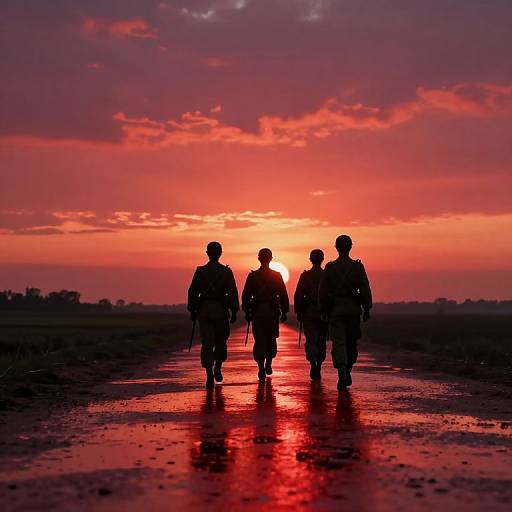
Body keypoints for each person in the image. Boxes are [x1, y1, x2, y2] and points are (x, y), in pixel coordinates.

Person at [318, 235, 372, 391]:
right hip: (353, 311)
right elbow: (365, 288)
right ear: (350, 247)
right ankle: (347, 371)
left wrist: (323, 309)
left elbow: (322, 291)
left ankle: (342, 373)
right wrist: (367, 308)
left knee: (339, 343)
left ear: (336, 247)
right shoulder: (357, 267)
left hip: (336, 310)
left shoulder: (330, 267)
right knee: (351, 343)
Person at [187, 241, 239, 389]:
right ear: (220, 253)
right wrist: (234, 310)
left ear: (207, 253)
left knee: (207, 343)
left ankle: (209, 373)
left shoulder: (200, 271)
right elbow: (233, 292)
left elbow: (192, 292)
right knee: (221, 342)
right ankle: (217, 368)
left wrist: (192, 309)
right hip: (221, 312)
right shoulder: (226, 272)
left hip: (204, 312)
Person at [242, 248, 289, 381]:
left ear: (259, 258)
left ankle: (261, 367)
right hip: (272, 313)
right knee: (271, 339)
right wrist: (285, 311)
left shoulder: (252, 276)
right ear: (271, 259)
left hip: (258, 313)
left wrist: (247, 311)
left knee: (260, 340)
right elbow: (283, 295)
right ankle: (268, 363)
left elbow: (245, 296)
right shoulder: (277, 276)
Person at [294, 249, 328, 380]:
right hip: (323, 312)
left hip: (309, 311)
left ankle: (313, 362)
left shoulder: (305, 276)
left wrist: (299, 312)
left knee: (311, 340)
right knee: (321, 340)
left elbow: (298, 295)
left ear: (310, 259)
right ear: (322, 259)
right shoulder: (326, 275)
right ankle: (318, 364)